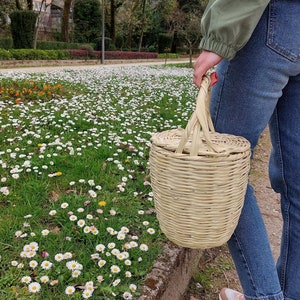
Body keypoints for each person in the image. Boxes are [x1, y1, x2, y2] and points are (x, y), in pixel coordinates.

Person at [193, 0, 300, 300]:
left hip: (269, 25)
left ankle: (266, 296)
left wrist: (220, 34)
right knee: (298, 185)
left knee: (223, 171)